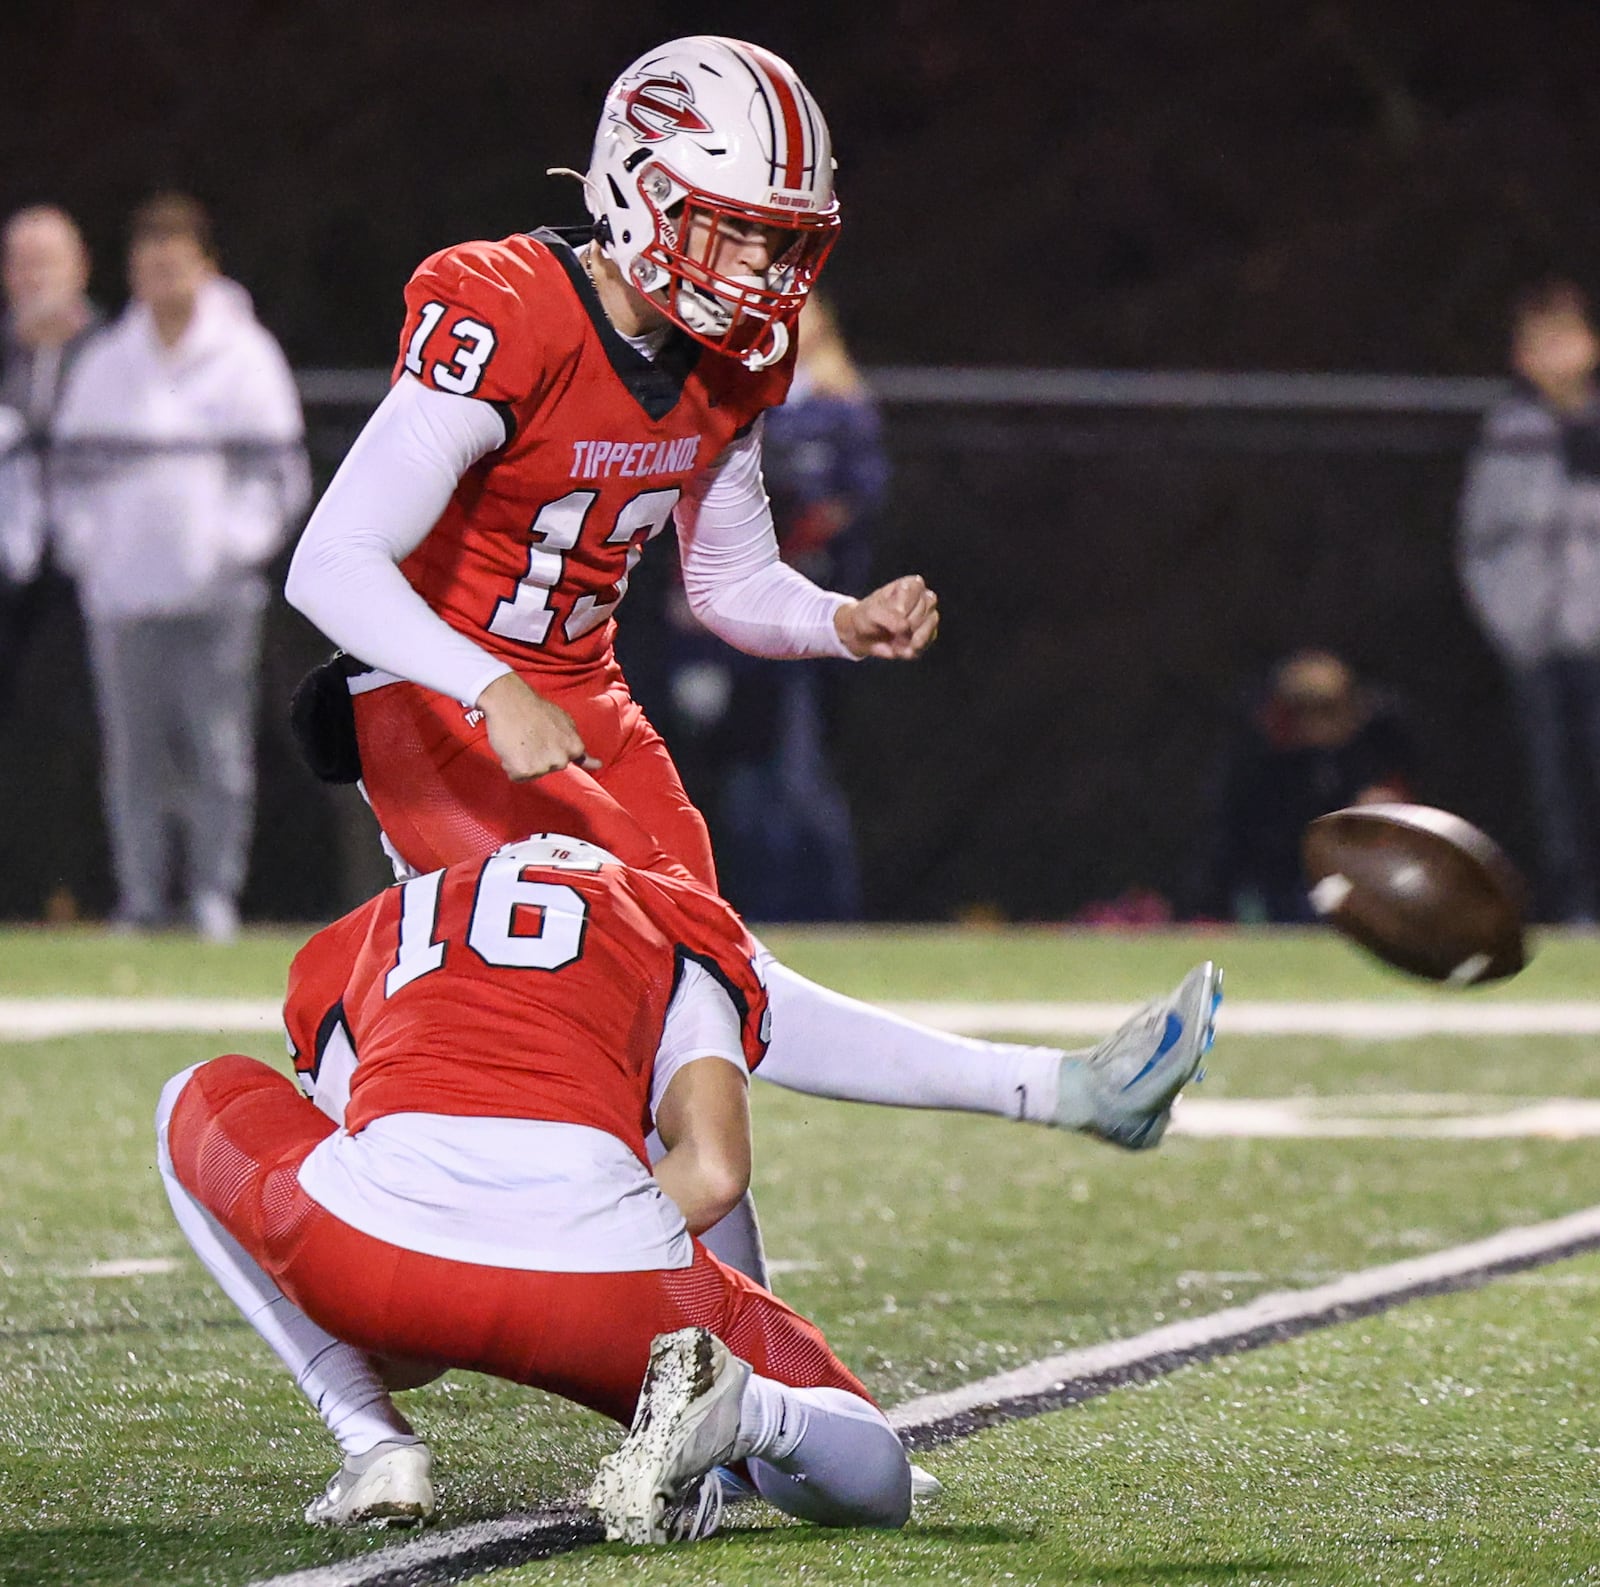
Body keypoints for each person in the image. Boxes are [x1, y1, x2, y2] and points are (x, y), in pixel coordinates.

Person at [284, 36, 1221, 1290]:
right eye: (738, 232)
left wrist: (839, 619)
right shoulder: (505, 308)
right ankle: (1048, 1097)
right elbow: (332, 562)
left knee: (707, 1011)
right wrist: (484, 685)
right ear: (642, 190)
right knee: (671, 1001)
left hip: (575, 695)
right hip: (437, 696)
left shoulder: (734, 356)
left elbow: (727, 582)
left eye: (785, 242)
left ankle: (743, 1376)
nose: (766, 272)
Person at [156, 833, 913, 1541]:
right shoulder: (670, 914)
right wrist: (576, 1241)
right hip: (610, 1278)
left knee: (192, 1093)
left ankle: (373, 1445)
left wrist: (462, 1277)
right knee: (858, 1454)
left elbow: (396, 1338)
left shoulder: (363, 936)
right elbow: (715, 1173)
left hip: (377, 1262)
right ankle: (747, 1418)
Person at [51, 193, 309, 939]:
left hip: (216, 598)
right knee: (132, 759)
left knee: (218, 752)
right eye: (148, 265)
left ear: (205, 267)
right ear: (132, 273)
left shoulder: (246, 358)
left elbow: (278, 475)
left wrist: (229, 551)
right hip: (121, 599)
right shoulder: (105, 364)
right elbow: (69, 474)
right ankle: (140, 897)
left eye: (175, 264)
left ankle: (210, 897)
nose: (162, 279)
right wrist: (91, 554)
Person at [658, 292, 885, 920]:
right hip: (735, 621)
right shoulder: (734, 400)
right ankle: (753, 910)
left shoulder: (841, 410)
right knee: (742, 776)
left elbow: (853, 508)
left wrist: (796, 539)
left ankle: (826, 914)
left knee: (799, 773)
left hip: (810, 614)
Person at [1458, 278, 1600, 923]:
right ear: (1522, 358)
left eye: (1565, 341)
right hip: (1536, 636)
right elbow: (1484, 537)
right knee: (1550, 783)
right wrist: (1514, 622)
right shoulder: (1508, 431)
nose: (1556, 358)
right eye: (1540, 345)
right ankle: (1571, 907)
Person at [1194, 650, 1412, 923]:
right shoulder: (1258, 762)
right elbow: (1236, 841)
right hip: (1272, 880)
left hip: (1344, 875)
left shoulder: (1364, 752)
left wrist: (1375, 811)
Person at [0, 206, 101, 718]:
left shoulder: (114, 351)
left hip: (90, 565)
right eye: (20, 263)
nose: (34, 277)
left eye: (47, 262)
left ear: (80, 267)